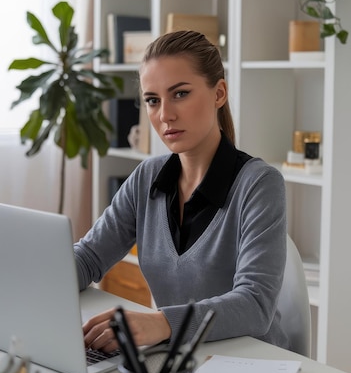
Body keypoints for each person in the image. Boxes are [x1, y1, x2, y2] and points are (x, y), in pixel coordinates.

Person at [74, 30, 289, 353]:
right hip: (176, 360)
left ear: (219, 94)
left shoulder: (259, 184)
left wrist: (161, 323)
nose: (164, 116)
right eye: (152, 100)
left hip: (251, 363)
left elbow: (255, 305)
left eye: (180, 94)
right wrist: (36, 280)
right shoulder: (148, 177)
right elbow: (89, 257)